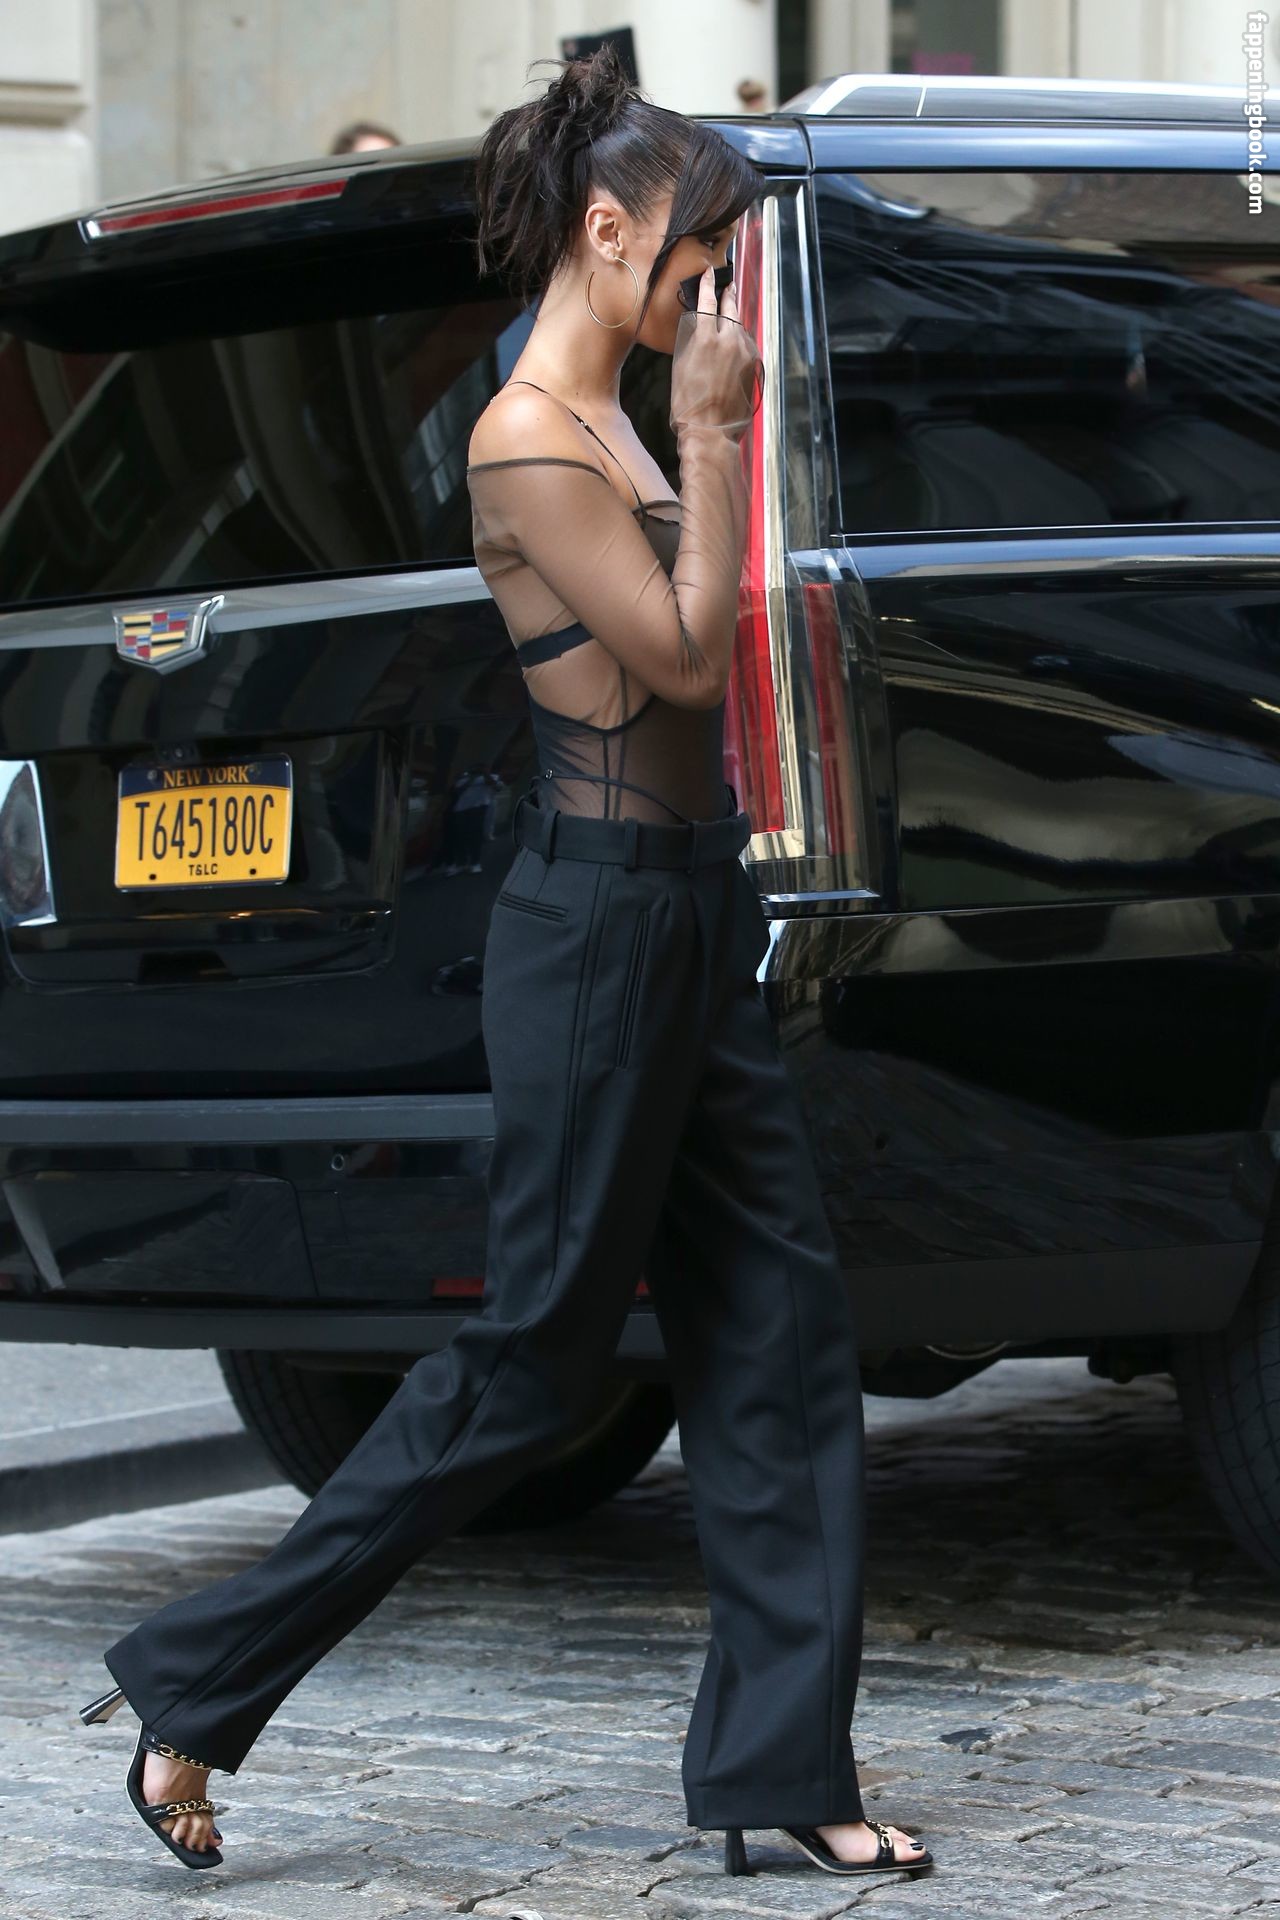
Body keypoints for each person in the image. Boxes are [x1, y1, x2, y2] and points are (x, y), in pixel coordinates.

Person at [79, 44, 933, 1887]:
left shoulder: (612, 414)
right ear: (606, 232)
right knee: (532, 1365)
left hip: (689, 905)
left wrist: (698, 431)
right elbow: (687, 657)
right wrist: (718, 436)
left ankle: (779, 1769)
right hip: (598, 933)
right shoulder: (529, 441)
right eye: (696, 256)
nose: (716, 292)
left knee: (782, 1330)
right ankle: (195, 1685)